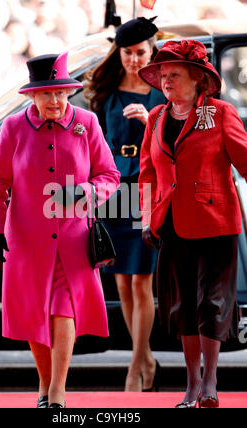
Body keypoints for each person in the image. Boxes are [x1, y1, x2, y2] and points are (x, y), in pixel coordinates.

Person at [0, 52, 120, 408]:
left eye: (61, 93)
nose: (55, 100)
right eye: (47, 94)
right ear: (32, 96)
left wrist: (86, 192)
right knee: (34, 312)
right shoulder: (14, 128)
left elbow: (109, 176)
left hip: (74, 238)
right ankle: (45, 386)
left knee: (64, 309)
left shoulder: (86, 123)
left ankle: (56, 391)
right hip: (26, 238)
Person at [138, 39, 247, 408]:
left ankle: (211, 381)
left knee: (212, 304)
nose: (167, 82)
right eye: (163, 75)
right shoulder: (155, 118)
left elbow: (245, 160)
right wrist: (146, 218)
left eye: (175, 75)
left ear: (198, 79)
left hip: (216, 221)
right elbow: (147, 174)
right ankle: (191, 384)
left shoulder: (218, 113)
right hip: (170, 223)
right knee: (181, 306)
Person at [84, 17, 165, 392]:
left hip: (148, 189)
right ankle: (145, 357)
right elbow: (93, 148)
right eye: (128, 53)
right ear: (118, 52)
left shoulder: (163, 91)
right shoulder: (105, 93)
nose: (134, 60)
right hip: (114, 192)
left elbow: (177, 142)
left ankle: (135, 366)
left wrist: (151, 121)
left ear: (152, 51)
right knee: (121, 282)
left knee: (143, 281)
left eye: (140, 52)